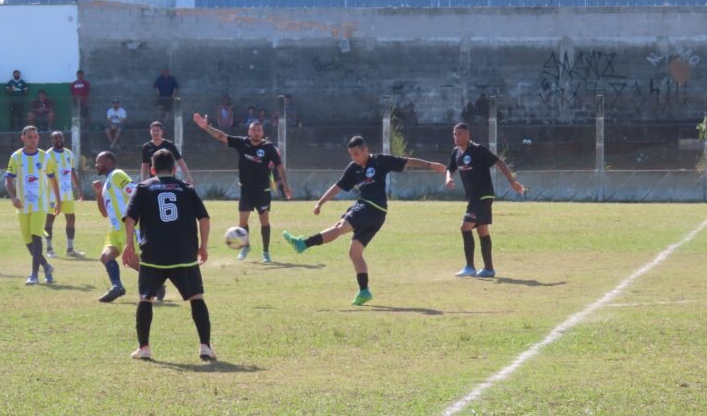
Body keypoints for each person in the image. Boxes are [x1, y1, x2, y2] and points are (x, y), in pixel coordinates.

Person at [283, 136, 446, 306]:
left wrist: (431, 165)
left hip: (370, 207)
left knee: (340, 226)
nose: (354, 158)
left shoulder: (380, 161)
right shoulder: (353, 168)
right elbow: (338, 186)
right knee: (354, 253)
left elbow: (407, 161)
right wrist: (320, 202)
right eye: (351, 155)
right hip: (377, 215)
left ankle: (303, 244)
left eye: (357, 154)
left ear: (366, 150)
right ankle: (364, 291)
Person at [122, 149, 216, 362]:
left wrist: (129, 245)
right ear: (174, 170)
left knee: (146, 298)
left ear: (152, 169)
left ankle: (144, 348)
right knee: (196, 297)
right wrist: (204, 246)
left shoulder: (143, 188)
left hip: (153, 253)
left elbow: (129, 218)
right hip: (184, 252)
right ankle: (205, 347)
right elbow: (204, 219)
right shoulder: (186, 188)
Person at [193, 113, 292, 263]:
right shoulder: (242, 143)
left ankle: (265, 253)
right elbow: (222, 136)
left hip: (263, 191)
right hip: (246, 189)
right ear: (249, 132)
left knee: (264, 221)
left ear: (262, 133)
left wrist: (285, 185)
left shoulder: (268, 148)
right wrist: (207, 127)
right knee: (242, 222)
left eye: (259, 130)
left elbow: (279, 166)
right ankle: (246, 246)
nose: (256, 132)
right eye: (254, 130)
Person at [445, 122, 525, 278]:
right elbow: (450, 168)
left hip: (482, 195)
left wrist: (512, 182)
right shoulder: (456, 153)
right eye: (454, 134)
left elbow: (499, 162)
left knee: (464, 227)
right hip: (474, 197)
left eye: (459, 134)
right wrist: (448, 179)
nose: (456, 137)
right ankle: (488, 269)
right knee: (482, 230)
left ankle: (470, 267)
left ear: (467, 135)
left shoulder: (478, 150)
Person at [4, 126, 61, 285]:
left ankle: (34, 275)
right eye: (29, 137)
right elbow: (8, 180)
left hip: (40, 205)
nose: (33, 139)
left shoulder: (45, 157)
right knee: (28, 241)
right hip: (22, 205)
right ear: (23, 138)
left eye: (35, 136)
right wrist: (13, 197)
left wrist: (59, 200)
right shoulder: (16, 157)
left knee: (36, 238)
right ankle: (47, 266)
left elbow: (52, 179)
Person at [93, 151, 139, 303]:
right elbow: (104, 213)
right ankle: (117, 286)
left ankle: (156, 283)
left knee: (132, 261)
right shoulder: (106, 183)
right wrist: (99, 194)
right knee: (106, 257)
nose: (96, 164)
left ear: (108, 161)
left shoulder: (117, 174)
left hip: (127, 227)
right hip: (115, 229)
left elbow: (135, 192)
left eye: (98, 161)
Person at [44, 131, 85, 258]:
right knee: (50, 220)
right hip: (52, 194)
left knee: (71, 219)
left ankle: (70, 249)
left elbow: (71, 172)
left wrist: (79, 189)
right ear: (52, 140)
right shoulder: (47, 155)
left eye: (60, 138)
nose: (58, 140)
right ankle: (49, 249)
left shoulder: (69, 153)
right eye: (55, 138)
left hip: (67, 193)